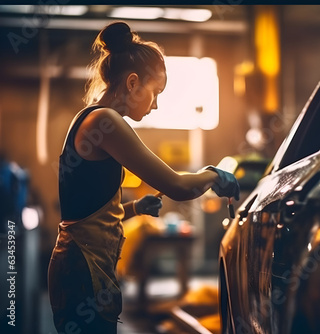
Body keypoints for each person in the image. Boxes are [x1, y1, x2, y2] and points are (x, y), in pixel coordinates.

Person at [47, 21, 239, 334]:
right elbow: (176, 186)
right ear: (133, 83)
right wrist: (211, 174)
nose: (157, 104)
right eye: (156, 92)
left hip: (82, 264)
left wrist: (135, 209)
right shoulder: (103, 121)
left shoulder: (95, 118)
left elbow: (88, 207)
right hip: (83, 268)